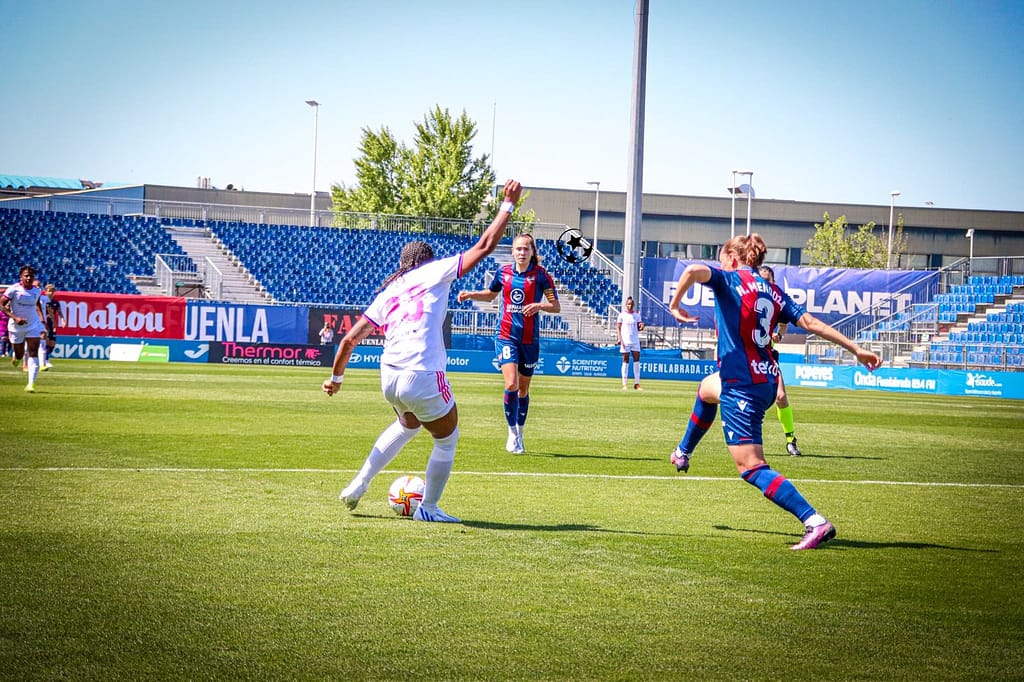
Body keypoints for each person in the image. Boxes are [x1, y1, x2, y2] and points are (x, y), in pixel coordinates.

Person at [324, 179, 523, 523]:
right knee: (447, 439)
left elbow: (347, 341)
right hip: (422, 373)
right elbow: (486, 245)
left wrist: (336, 379)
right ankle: (428, 509)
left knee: (408, 425)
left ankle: (359, 482)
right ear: (427, 261)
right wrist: (507, 205)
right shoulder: (435, 272)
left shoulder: (389, 290)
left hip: (389, 376)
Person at [666, 234, 882, 550]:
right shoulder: (773, 291)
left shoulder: (728, 279)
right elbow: (811, 323)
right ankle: (683, 452)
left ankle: (815, 521)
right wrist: (856, 349)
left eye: (723, 257)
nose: (720, 263)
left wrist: (675, 304)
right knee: (705, 389)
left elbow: (693, 271)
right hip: (765, 381)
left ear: (734, 258)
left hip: (743, 387)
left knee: (751, 466)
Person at [457, 232, 560, 454]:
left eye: (526, 249)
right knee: (511, 383)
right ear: (512, 251)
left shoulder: (542, 276)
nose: (522, 252)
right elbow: (491, 295)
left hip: (530, 340)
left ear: (532, 252)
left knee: (523, 389)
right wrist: (471, 294)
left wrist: (539, 306)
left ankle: (520, 433)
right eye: (518, 249)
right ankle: (511, 432)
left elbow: (556, 306)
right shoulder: (503, 273)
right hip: (505, 336)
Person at [758, 266, 801, 456]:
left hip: (768, 356)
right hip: (746, 356)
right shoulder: (748, 298)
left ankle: (791, 440)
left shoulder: (776, 303)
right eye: (761, 280)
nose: (764, 283)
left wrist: (779, 336)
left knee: (781, 397)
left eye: (768, 280)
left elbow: (783, 325)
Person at [1, 266, 46, 393]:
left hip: (33, 325)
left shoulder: (37, 291)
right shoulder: (13, 289)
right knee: (20, 354)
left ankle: (31, 384)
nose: (28, 278)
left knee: (33, 352)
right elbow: (1, 304)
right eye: (26, 275)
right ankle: (16, 357)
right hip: (16, 327)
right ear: (21, 276)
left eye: (31, 275)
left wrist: (42, 320)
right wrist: (14, 318)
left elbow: (37, 305)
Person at [616, 295, 644, 390]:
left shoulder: (637, 315)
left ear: (634, 305)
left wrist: (641, 327)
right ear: (626, 305)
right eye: (628, 304)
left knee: (637, 361)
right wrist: (619, 338)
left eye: (631, 304)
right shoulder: (622, 315)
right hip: (625, 341)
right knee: (625, 361)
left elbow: (638, 328)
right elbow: (618, 328)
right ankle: (624, 384)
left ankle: (637, 384)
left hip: (635, 340)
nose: (630, 305)